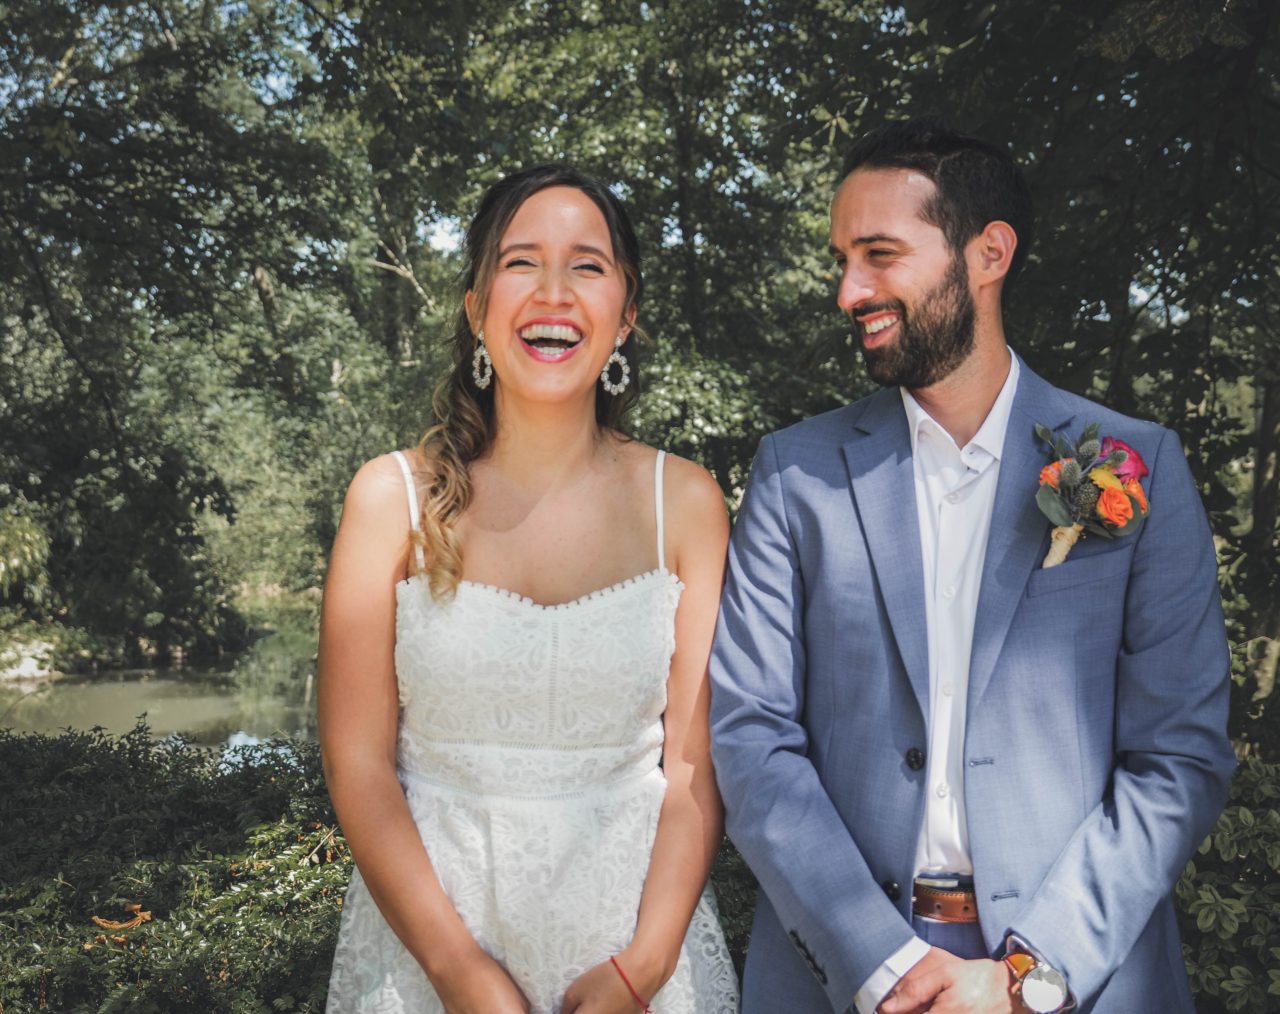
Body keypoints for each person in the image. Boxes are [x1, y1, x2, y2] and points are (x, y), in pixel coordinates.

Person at [708, 118, 1234, 1014]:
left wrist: (1026, 980)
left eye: (879, 254)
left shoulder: (1134, 462)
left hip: (1074, 972)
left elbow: (1177, 756)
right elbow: (752, 737)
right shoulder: (795, 474)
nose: (847, 289)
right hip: (842, 971)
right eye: (842, 258)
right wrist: (884, 967)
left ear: (988, 254)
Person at [319, 164, 739, 1014]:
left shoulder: (686, 505)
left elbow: (693, 771)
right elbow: (358, 764)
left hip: (632, 951)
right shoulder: (387, 499)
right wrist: (458, 972)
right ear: (476, 308)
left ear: (626, 316)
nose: (554, 292)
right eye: (520, 262)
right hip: (429, 949)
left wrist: (644, 969)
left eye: (587, 266)